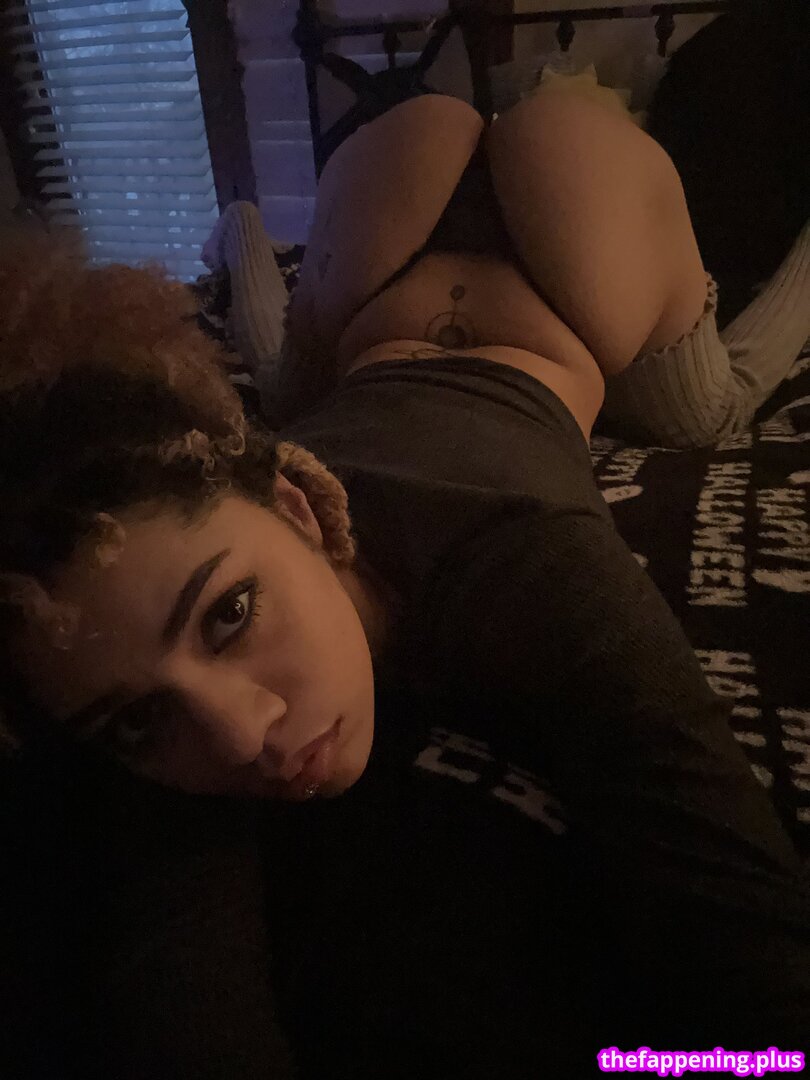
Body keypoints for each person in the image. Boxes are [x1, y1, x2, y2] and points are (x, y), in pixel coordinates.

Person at [1, 91, 809, 1072]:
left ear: (298, 505)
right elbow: (175, 959)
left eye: (231, 615)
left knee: (714, 407)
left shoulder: (530, 564)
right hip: (458, 222)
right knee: (277, 372)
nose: (244, 738)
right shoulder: (142, 621)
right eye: (138, 722)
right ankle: (243, 228)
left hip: (520, 265)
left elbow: (753, 961)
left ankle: (245, 229)